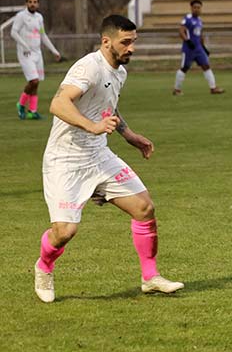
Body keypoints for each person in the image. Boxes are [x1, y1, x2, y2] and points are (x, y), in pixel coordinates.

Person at [33, 15, 184, 303]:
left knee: (144, 207)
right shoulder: (89, 67)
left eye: (134, 42)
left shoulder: (120, 72)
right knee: (64, 232)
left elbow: (107, 108)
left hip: (99, 155)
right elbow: (58, 103)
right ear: (106, 42)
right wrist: (91, 127)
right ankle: (44, 267)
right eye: (125, 42)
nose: (131, 48)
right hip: (66, 160)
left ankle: (150, 277)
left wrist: (129, 135)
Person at [10, 0, 61, 120]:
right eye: (30, 2)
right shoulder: (21, 16)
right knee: (34, 80)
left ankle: (32, 111)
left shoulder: (39, 17)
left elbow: (43, 35)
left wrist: (54, 51)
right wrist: (24, 45)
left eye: (35, 2)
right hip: (25, 53)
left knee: (35, 83)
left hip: (37, 54)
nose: (32, 4)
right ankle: (21, 104)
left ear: (38, 4)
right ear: (26, 3)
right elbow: (13, 32)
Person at [173, 0, 225, 95]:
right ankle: (177, 89)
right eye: (195, 7)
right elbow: (181, 31)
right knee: (184, 68)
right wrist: (187, 41)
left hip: (198, 48)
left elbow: (200, 35)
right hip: (189, 49)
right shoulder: (187, 18)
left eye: (199, 7)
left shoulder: (199, 20)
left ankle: (213, 88)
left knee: (206, 66)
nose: (197, 9)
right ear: (191, 8)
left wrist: (204, 47)